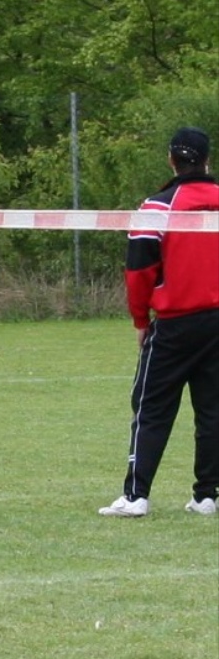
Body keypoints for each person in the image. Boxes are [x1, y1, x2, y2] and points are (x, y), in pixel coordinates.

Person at [99, 127, 219, 518]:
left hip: (174, 323)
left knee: (150, 406)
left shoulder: (156, 207)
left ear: (171, 160)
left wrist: (139, 319)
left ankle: (136, 496)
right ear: (206, 160)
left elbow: (139, 269)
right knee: (213, 409)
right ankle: (207, 496)